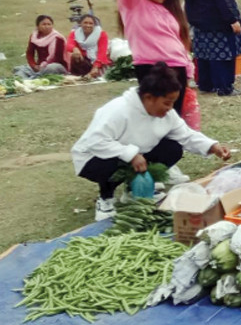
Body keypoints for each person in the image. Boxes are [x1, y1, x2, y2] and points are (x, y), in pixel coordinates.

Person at [72, 63, 231, 221]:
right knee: (110, 164)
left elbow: (186, 135)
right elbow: (96, 141)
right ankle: (105, 198)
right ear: (149, 98)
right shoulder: (119, 110)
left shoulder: (167, 114)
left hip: (134, 154)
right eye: (167, 102)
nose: (170, 108)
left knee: (172, 148)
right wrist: (131, 154)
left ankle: (134, 190)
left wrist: (212, 146)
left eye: (173, 103)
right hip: (92, 158)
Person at [118, 0, 192, 116]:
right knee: (156, 114)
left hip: (177, 68)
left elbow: (176, 40)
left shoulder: (167, 10)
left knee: (174, 116)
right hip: (151, 68)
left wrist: (188, 66)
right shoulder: (133, 3)